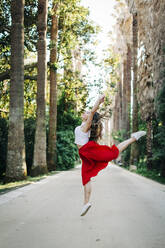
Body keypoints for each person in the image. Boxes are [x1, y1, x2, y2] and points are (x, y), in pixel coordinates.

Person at [74, 95, 146, 216]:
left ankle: (134, 138)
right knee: (85, 178)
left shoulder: (86, 125)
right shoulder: (81, 125)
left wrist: (98, 101)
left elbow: (92, 111)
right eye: (85, 112)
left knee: (113, 153)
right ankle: (86, 203)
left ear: (89, 117)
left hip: (89, 150)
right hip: (84, 154)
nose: (85, 113)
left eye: (86, 112)